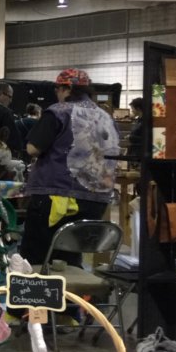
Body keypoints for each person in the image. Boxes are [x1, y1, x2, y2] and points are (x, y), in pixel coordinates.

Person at [21, 68, 119, 268]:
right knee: (70, 256)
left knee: (37, 259)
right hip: (96, 200)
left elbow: (33, 148)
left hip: (57, 196)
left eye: (57, 89)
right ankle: (72, 287)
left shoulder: (59, 111)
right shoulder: (106, 117)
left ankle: (39, 288)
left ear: (65, 89)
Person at [0, 81, 22, 156]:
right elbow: (14, 139)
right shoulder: (5, 112)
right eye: (10, 97)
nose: (11, 101)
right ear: (0, 94)